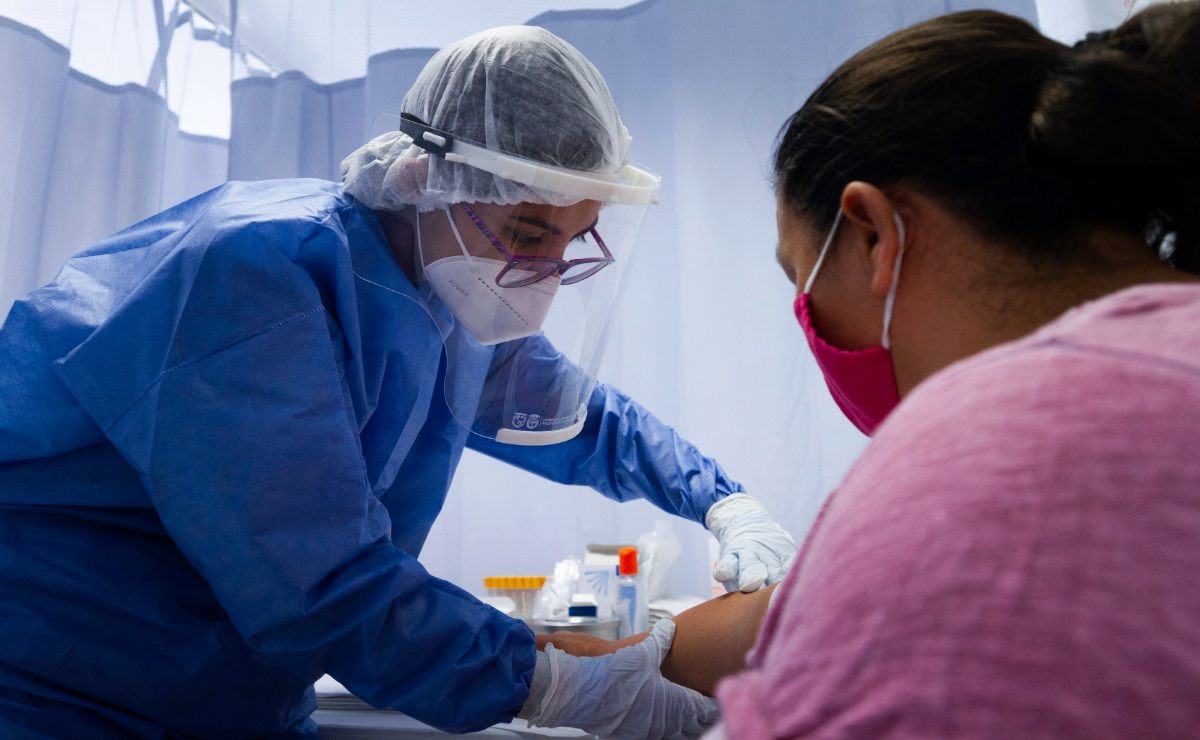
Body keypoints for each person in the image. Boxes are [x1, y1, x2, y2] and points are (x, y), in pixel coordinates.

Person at [0, 25, 795, 738]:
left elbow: (578, 419)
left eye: (574, 237)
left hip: (233, 695)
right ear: (428, 179)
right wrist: (554, 685)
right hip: (63, 688)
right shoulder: (256, 276)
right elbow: (318, 583)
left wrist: (724, 501)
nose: (550, 271)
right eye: (528, 232)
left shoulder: (449, 299)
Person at [555, 3, 1200, 737]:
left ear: (872, 237)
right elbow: (833, 603)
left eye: (803, 281)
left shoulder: (978, 451)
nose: (808, 320)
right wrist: (647, 658)